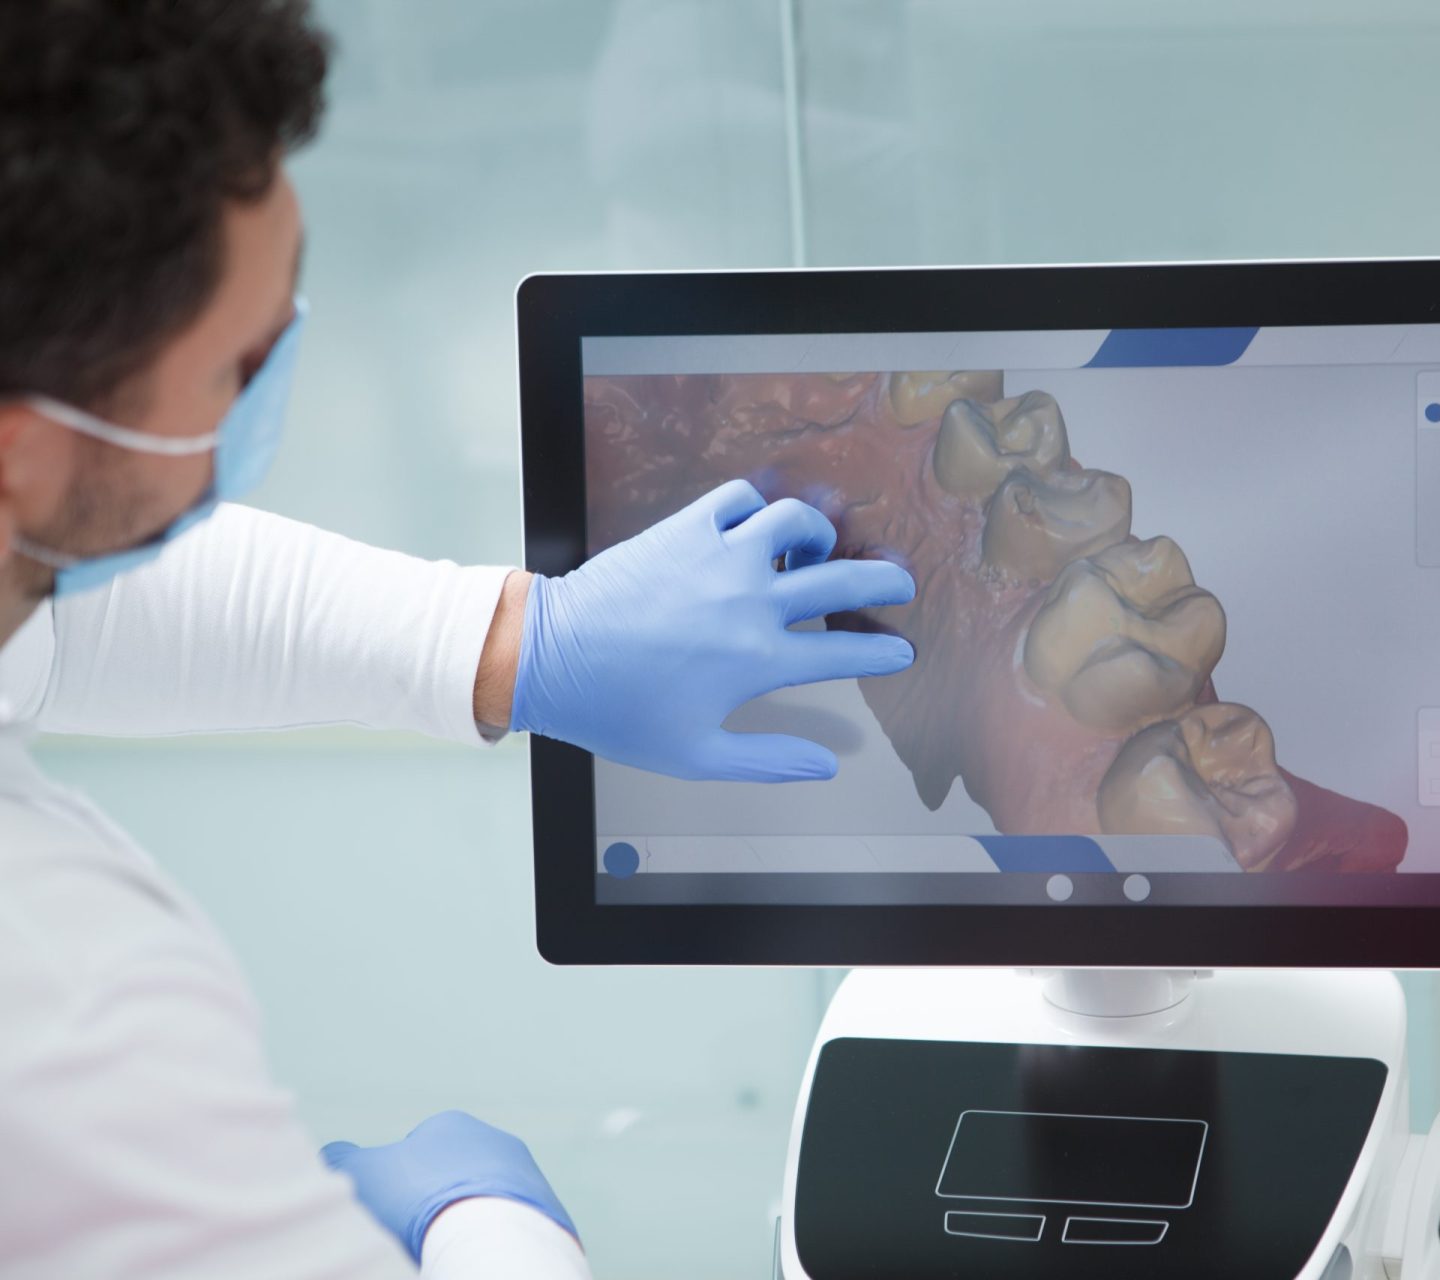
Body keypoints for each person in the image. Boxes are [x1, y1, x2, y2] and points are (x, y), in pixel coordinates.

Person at [0, 3, 913, 1277]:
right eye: (232, 372)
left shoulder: (28, 515)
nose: (271, 394)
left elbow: (57, 598)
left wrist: (516, 640)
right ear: (27, 449)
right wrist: (492, 1220)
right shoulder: (60, 1010)